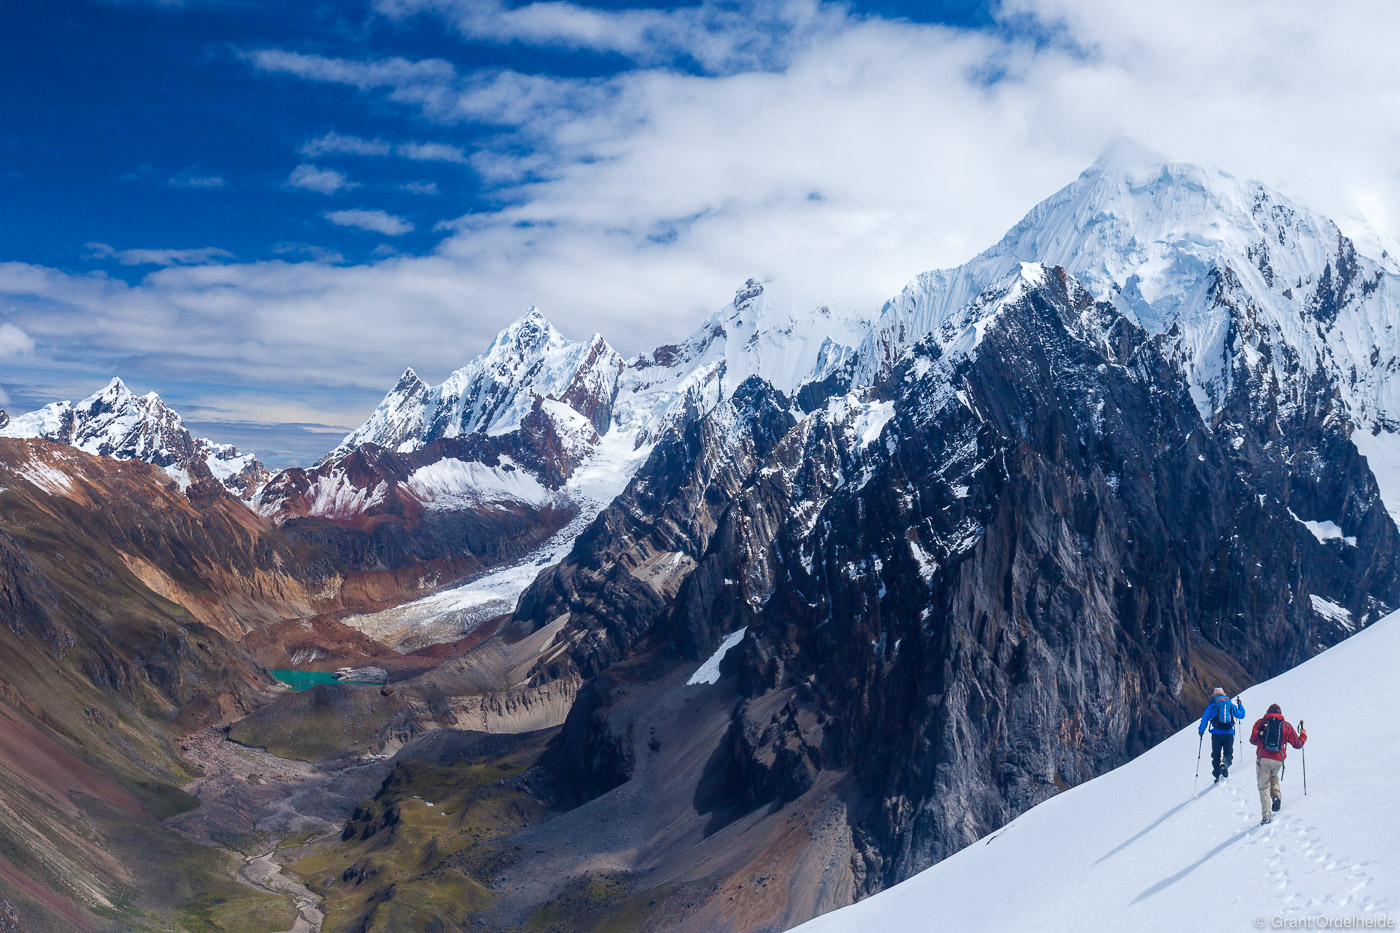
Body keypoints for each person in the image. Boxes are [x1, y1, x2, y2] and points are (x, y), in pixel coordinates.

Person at [1249, 703, 1306, 824]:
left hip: (1263, 758)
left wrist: (1262, 739)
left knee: (1264, 786)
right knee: (1273, 777)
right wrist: (1303, 735)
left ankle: (1266, 815)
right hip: (1278, 758)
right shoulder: (1286, 726)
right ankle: (1276, 796)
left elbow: (1253, 740)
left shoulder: (1261, 723)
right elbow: (1297, 744)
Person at [1197, 687, 1245, 781]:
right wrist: (1240, 705)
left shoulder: (1213, 706)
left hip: (1216, 734)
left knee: (1216, 755)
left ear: (1214, 696)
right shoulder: (1230, 705)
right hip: (1229, 733)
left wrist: (1201, 731)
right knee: (1228, 753)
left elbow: (1205, 719)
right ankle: (1224, 766)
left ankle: (1217, 774)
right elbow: (1241, 715)